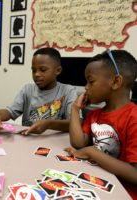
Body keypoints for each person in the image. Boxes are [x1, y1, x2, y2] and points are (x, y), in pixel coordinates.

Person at [65, 49, 137, 199]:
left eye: (90, 81)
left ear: (116, 82)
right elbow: (78, 143)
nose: (86, 87)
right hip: (96, 183)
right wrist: (74, 108)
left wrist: (91, 152)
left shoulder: (133, 117)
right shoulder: (95, 114)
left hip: (122, 194)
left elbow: (135, 174)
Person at [0, 47, 78, 135]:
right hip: (28, 140)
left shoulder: (68, 91)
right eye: (33, 70)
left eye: (43, 70)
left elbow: (75, 123)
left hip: (55, 143)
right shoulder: (27, 90)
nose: (37, 74)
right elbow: (10, 111)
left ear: (58, 70)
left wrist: (49, 124)